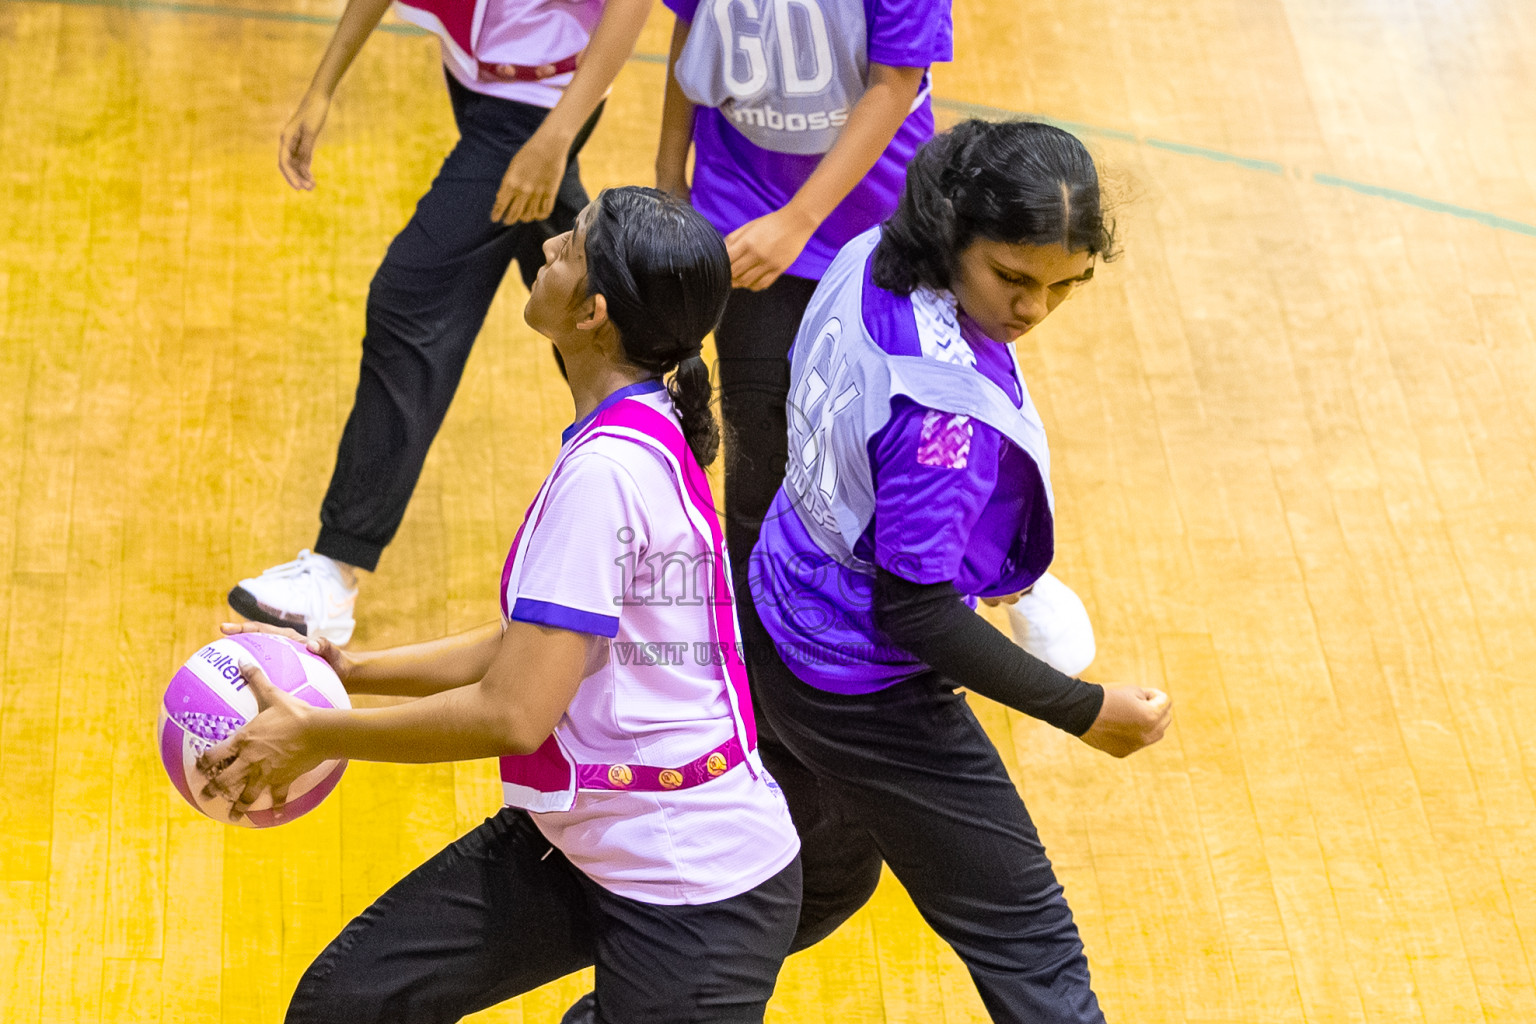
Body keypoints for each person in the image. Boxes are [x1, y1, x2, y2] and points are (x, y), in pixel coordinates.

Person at [201, 187, 802, 1024]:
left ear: (593, 314)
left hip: (689, 889)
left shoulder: (606, 474)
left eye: (570, 245)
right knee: (354, 1003)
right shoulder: (644, 427)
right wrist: (346, 672)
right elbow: (536, 644)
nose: (550, 242)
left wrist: (317, 735)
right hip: (593, 836)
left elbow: (513, 713)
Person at [742, 120, 1174, 1022]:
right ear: (952, 233)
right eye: (1012, 279)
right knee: (1031, 946)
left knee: (811, 881)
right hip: (867, 686)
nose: (1032, 311)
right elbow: (919, 612)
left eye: (1065, 285)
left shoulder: (865, 258)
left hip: (776, 611)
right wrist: (1085, 712)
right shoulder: (946, 421)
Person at [228, 0, 652, 645]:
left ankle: (334, 575)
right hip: (477, 82)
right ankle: (665, 460)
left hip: (538, 104)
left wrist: (558, 135)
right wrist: (321, 88)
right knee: (585, 294)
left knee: (410, 302)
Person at [654, 0, 953, 602]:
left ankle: (969, 581)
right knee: (757, 462)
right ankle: (754, 677)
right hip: (742, 210)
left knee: (883, 452)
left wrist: (798, 221)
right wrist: (668, 174)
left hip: (878, 227)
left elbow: (894, 83)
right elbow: (692, 27)